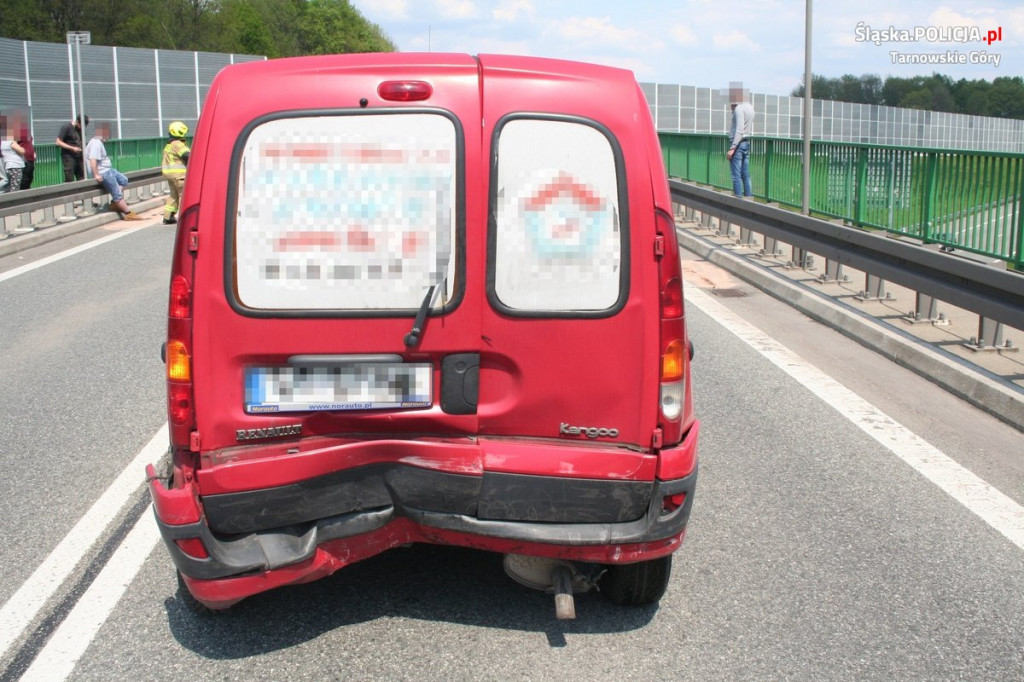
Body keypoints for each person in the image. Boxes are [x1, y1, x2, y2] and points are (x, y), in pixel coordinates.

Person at [84, 121, 142, 220]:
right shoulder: (96, 143)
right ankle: (127, 213)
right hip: (103, 172)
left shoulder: (98, 142)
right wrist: (96, 175)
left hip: (108, 170)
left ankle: (115, 203)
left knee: (123, 180)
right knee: (116, 192)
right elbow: (93, 160)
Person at [726, 83, 754, 198]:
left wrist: (732, 148)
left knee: (735, 175)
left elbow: (739, 130)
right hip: (746, 143)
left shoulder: (739, 109)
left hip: (738, 144)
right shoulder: (750, 107)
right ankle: (749, 199)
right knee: (745, 175)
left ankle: (738, 200)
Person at [162, 120, 191, 224]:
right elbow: (187, 155)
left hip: (170, 175)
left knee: (173, 195)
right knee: (185, 195)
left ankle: (168, 216)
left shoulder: (168, 145)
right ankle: (187, 218)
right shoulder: (178, 144)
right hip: (180, 175)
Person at [56, 114, 88, 182]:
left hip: (79, 156)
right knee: (69, 178)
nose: (81, 128)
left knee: (82, 177)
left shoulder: (81, 130)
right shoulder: (66, 127)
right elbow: (58, 142)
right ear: (77, 122)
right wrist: (72, 148)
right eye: (81, 126)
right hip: (69, 156)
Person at [1, 117, 27, 193]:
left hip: (8, 166)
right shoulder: (11, 142)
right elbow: (21, 151)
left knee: (10, 185)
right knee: (15, 187)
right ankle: (13, 202)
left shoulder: (2, 143)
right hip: (16, 166)